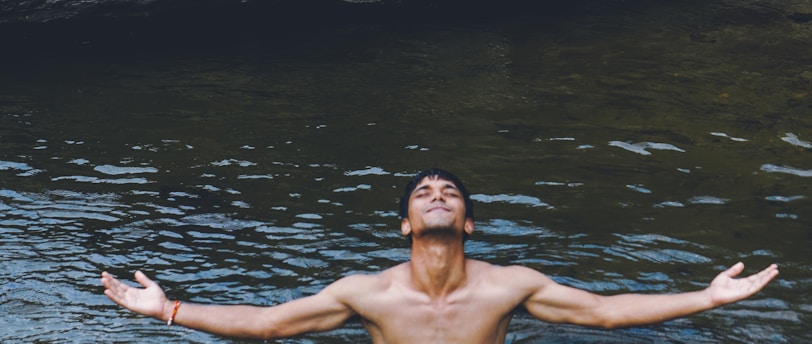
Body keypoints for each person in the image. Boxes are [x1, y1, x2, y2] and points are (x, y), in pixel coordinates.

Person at [101, 168, 779, 343]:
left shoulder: (509, 284)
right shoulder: (367, 293)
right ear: (404, 225)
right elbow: (270, 323)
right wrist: (170, 311)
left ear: (469, 223)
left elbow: (602, 312)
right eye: (423, 192)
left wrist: (706, 296)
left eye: (449, 191)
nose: (436, 194)